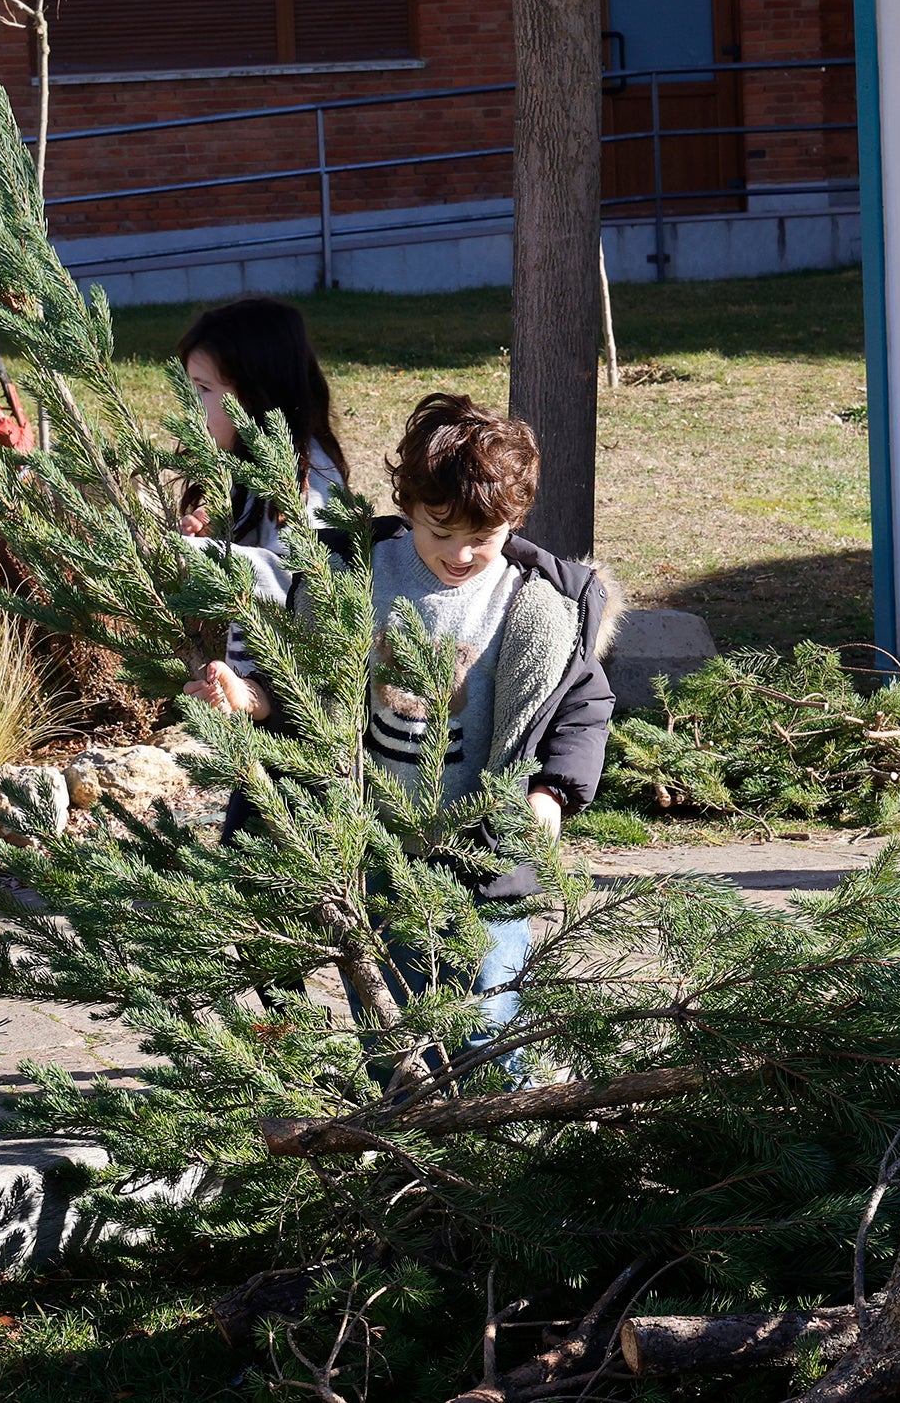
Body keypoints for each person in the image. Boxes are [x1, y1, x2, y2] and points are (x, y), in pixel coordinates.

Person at [187, 392, 617, 1054]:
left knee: (489, 1015)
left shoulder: (534, 606)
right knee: (390, 1021)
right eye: (440, 532)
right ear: (407, 505)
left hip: (484, 855)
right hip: (375, 848)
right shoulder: (358, 575)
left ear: (515, 518)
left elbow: (580, 704)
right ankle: (403, 1132)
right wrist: (255, 698)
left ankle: (503, 1132)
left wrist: (550, 792)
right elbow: (306, 672)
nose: (461, 553)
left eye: (482, 537)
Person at [175, 297, 351, 699]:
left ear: (255, 393)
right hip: (254, 688)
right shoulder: (256, 464)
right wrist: (217, 524)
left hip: (299, 702)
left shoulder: (309, 482)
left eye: (203, 389)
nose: (190, 405)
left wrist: (200, 555)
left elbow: (297, 578)